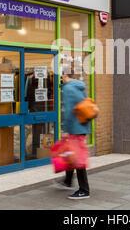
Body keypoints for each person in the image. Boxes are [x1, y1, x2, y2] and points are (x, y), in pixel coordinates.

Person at [55, 70, 91, 200]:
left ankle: (84, 190)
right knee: (69, 154)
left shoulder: (68, 88)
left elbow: (68, 110)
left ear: (65, 75)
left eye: (61, 76)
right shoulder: (79, 86)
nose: (60, 79)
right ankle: (68, 181)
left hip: (74, 128)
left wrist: (65, 128)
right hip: (81, 126)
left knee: (78, 159)